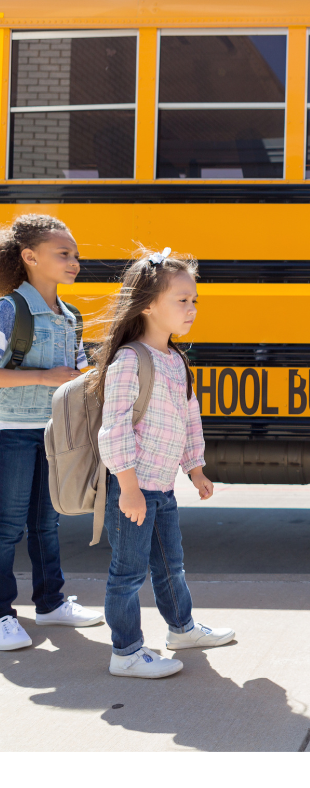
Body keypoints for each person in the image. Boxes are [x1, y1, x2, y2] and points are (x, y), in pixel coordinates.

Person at [95, 248, 234, 679]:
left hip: (163, 489)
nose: (192, 309)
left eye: (195, 300)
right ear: (148, 305)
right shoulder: (129, 360)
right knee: (128, 573)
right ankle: (126, 652)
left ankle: (182, 629)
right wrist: (129, 489)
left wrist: (196, 469)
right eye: (182, 300)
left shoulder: (175, 360)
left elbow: (189, 419)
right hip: (134, 489)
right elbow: (114, 429)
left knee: (170, 566)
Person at [0, 215, 103, 652]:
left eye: (76, 254)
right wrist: (45, 377)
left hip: (53, 434)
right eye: (63, 254)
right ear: (29, 256)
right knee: (7, 526)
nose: (74, 261)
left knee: (47, 523)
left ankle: (51, 603)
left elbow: (76, 371)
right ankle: (2, 615)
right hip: (11, 432)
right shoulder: (9, 309)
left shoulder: (70, 316)